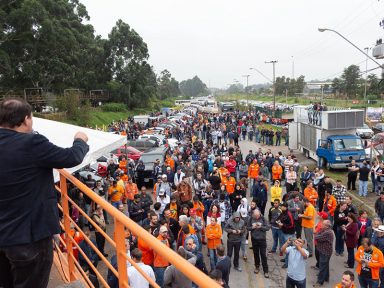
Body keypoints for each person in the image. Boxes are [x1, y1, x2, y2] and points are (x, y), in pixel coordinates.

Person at [0, 99, 89, 288]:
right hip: (29, 238)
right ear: (26, 120)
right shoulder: (32, 143)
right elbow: (71, 157)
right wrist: (80, 140)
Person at [247, 209, 270, 278]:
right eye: (255, 216)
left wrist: (261, 227)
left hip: (262, 239)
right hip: (254, 239)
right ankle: (257, 267)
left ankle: (266, 271)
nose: (256, 217)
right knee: (256, 254)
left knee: (263, 255)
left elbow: (268, 227)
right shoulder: (251, 218)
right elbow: (247, 228)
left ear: (260, 214)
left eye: (258, 216)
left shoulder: (263, 218)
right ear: (253, 214)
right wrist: (252, 227)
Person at [313, 220, 334, 287]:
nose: (321, 225)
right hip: (323, 250)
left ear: (327, 226)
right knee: (325, 265)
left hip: (325, 252)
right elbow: (317, 234)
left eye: (323, 224)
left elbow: (316, 237)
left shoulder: (327, 232)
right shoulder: (324, 230)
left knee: (322, 267)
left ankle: (319, 282)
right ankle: (326, 278)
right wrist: (317, 234)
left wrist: (316, 234)